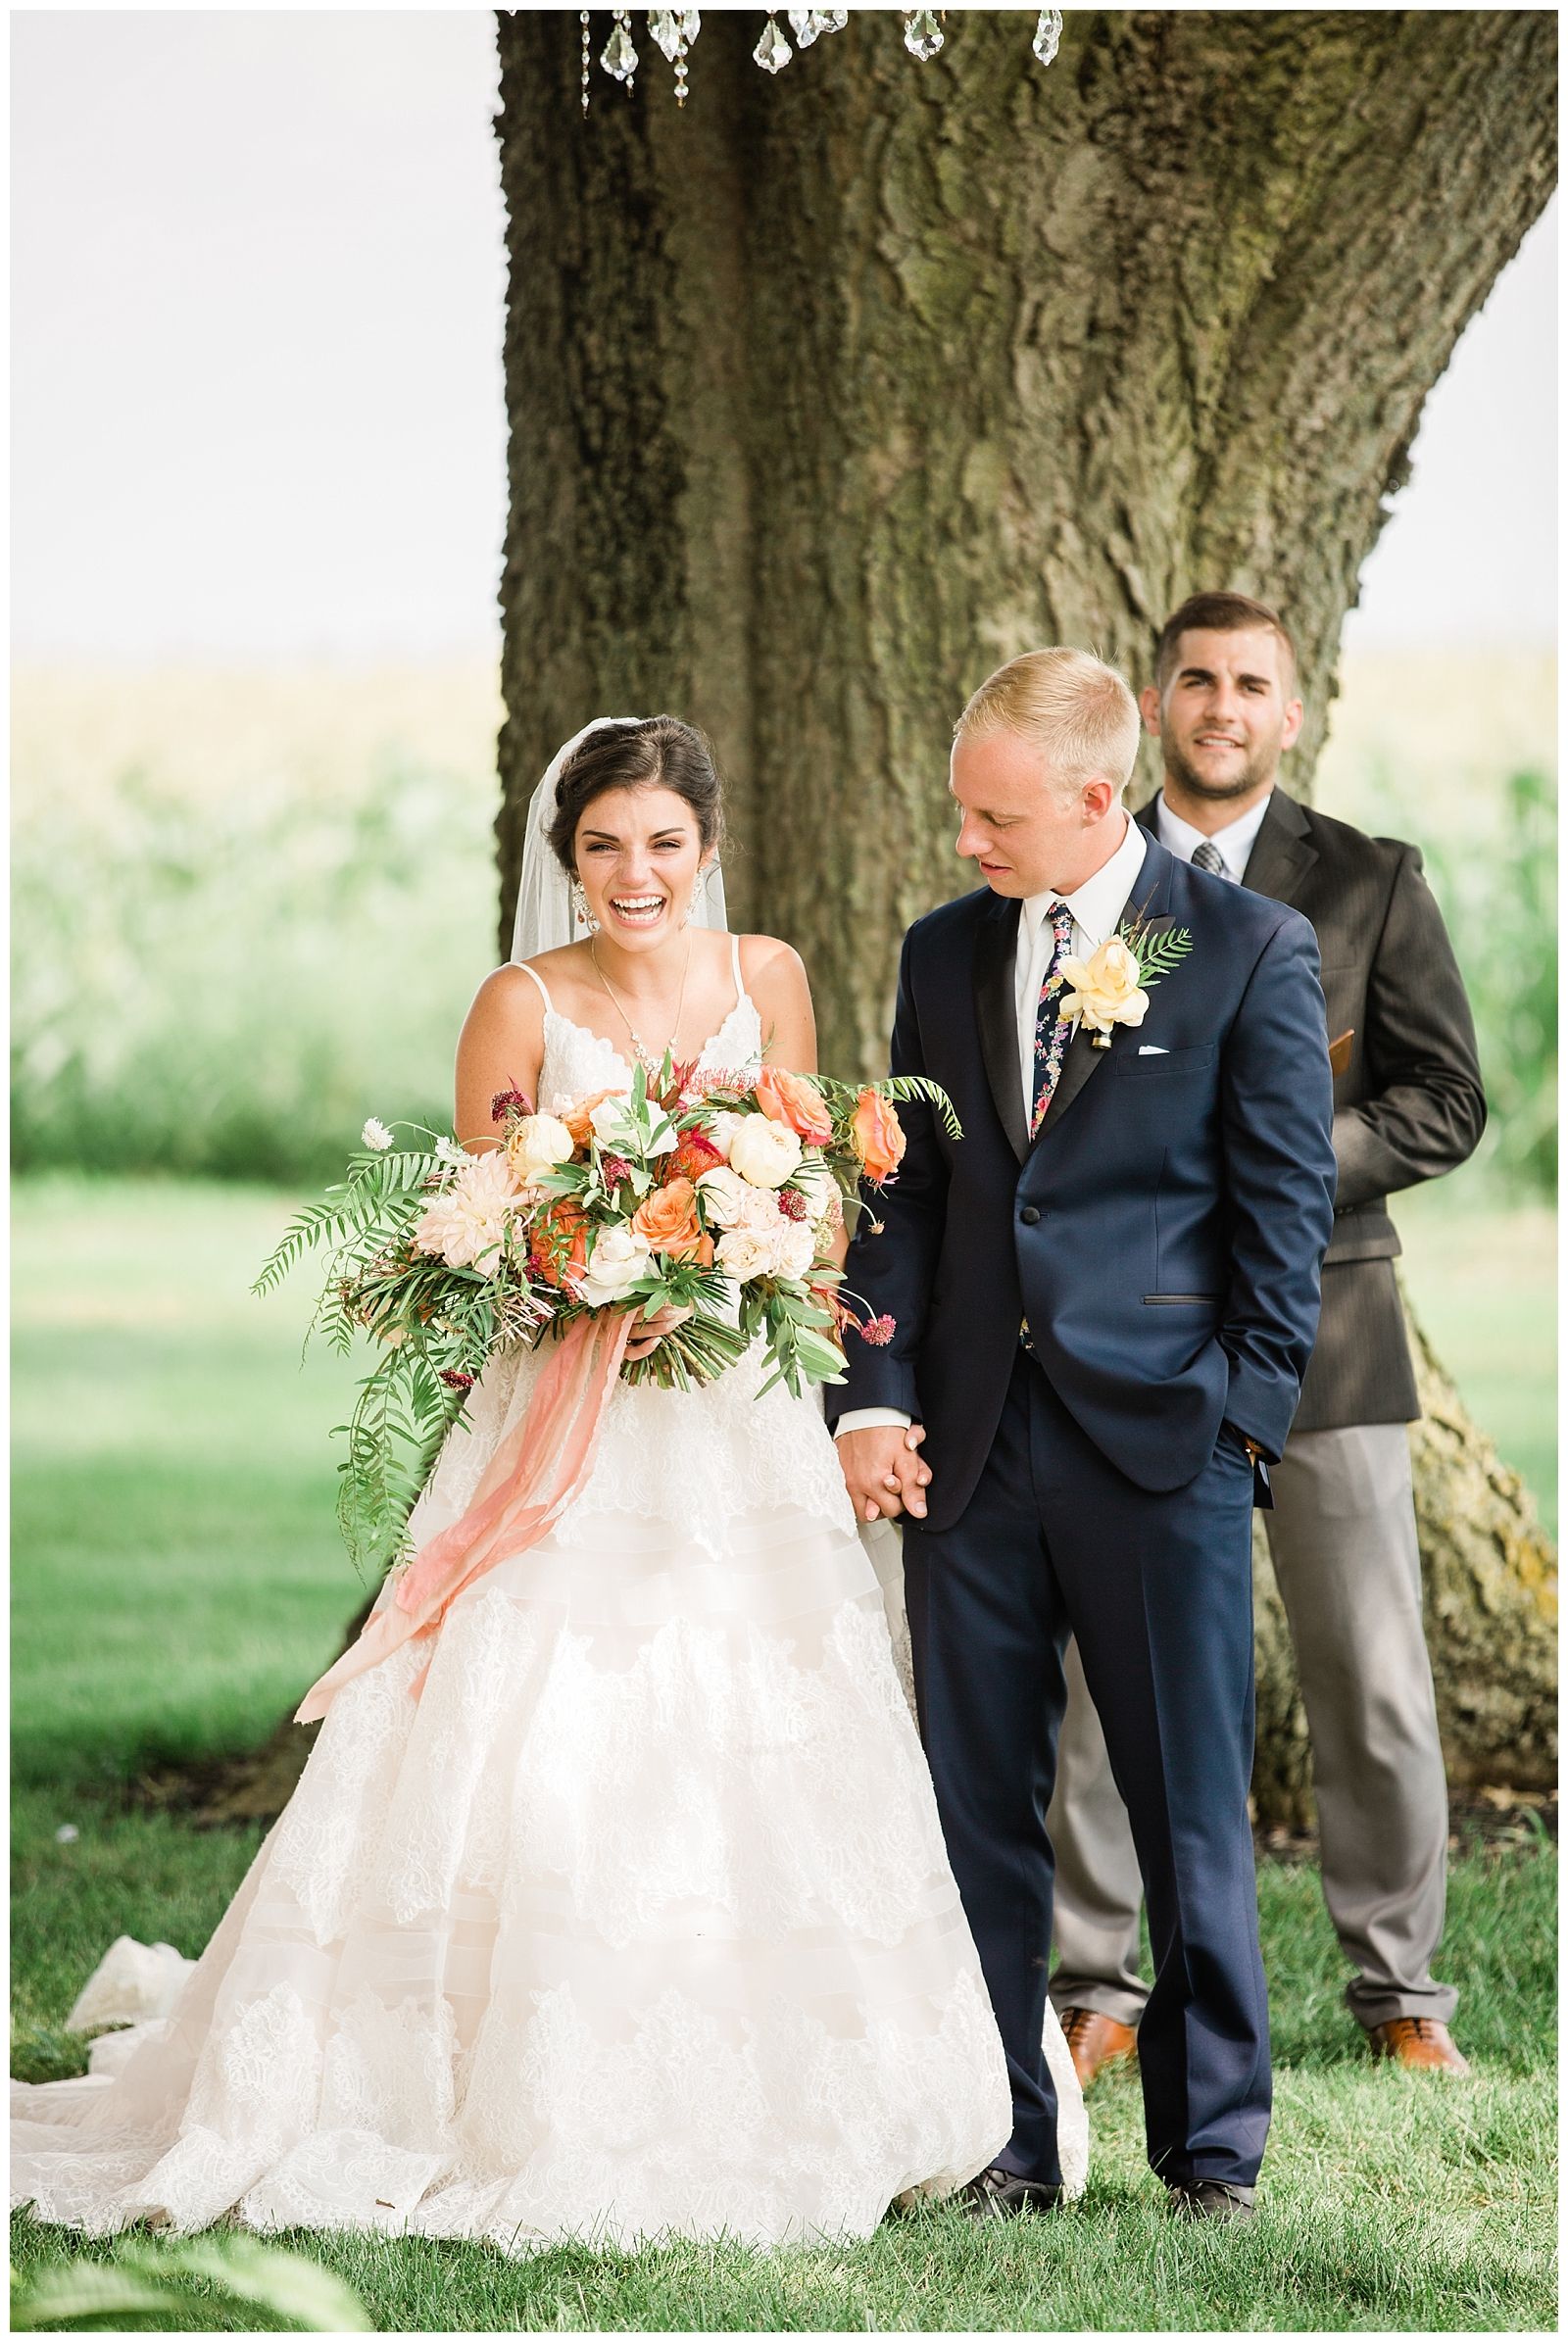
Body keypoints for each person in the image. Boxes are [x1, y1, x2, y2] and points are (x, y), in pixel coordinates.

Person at [13, 714, 1092, 2251]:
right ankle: (482, 2068)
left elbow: (820, 1204)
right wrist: (594, 1281)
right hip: (567, 1433)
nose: (634, 873)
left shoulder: (768, 976)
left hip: (734, 1426)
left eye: (663, 843)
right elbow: (482, 1233)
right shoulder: (518, 1003)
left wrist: (741, 1255)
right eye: (603, 846)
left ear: (706, 847)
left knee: (762, 1719)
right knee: (540, 1728)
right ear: (566, 856)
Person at [832, 648, 1337, 2224]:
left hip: (1165, 1447)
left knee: (1188, 1809)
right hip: (971, 1445)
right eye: (963, 811)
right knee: (977, 1805)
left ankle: (1213, 2149)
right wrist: (876, 1389)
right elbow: (905, 1190)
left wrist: (1240, 1427)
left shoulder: (1247, 951)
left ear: (1094, 798)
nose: (967, 839)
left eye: (995, 816)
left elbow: (1287, 1218)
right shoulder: (941, 951)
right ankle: (1009, 2135)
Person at [1047, 594, 1486, 2085]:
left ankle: (1400, 1987)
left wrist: (1282, 1159)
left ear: (1290, 712)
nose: (1222, 706)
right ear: (1154, 703)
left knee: (1369, 1673)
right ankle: (1097, 1982)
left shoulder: (1368, 879)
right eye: (1197, 681)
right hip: (1131, 1345)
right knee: (1112, 1678)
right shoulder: (1088, 875)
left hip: (1331, 1338)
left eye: (1250, 684)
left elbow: (1444, 1100)